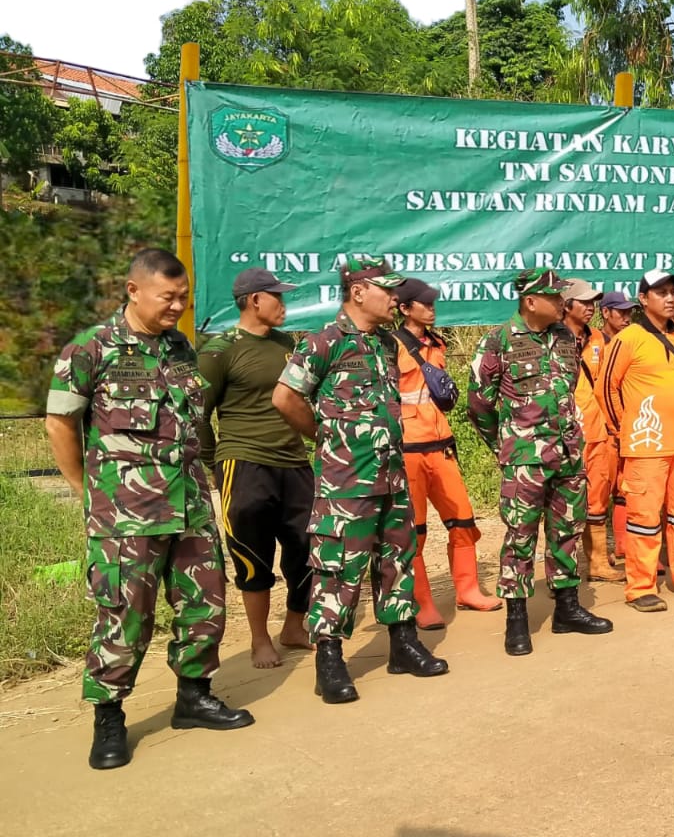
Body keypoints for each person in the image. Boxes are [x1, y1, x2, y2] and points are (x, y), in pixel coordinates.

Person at [45, 248, 254, 770]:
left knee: (203, 605)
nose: (178, 306)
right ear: (133, 290)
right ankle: (110, 717)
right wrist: (86, 490)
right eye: (168, 296)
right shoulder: (91, 349)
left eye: (183, 297)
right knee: (125, 615)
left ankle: (194, 696)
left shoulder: (181, 348)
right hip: (126, 514)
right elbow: (59, 424)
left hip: (190, 506)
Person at [273, 257, 448, 704]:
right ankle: (329, 659)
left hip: (392, 476)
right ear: (357, 292)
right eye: (386, 290)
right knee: (338, 569)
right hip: (345, 484)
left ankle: (403, 644)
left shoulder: (388, 344)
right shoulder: (323, 343)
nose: (395, 298)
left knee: (398, 559)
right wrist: (324, 436)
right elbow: (286, 397)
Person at [467, 269, 614, 654]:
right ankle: (517, 620)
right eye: (554, 296)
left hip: (566, 455)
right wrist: (508, 444)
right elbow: (479, 405)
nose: (562, 302)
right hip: (524, 460)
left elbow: (568, 391)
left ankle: (567, 608)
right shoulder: (497, 341)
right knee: (520, 536)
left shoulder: (566, 338)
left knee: (566, 530)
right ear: (531, 301)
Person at [197, 267, 313, 670]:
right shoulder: (219, 350)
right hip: (244, 463)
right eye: (277, 297)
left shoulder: (287, 343)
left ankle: (294, 626)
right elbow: (199, 414)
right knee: (252, 553)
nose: (284, 304)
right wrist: (217, 464)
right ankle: (260, 639)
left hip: (294, 462)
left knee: (307, 548)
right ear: (254, 300)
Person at [601, 270, 674, 610]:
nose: (670, 298)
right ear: (643, 299)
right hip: (646, 446)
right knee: (644, 518)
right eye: (660, 292)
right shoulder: (629, 338)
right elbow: (607, 389)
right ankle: (641, 586)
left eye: (673, 292)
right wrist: (624, 432)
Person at [393, 278, 502, 629]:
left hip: (441, 445)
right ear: (405, 308)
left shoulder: (436, 343)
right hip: (408, 450)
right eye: (423, 303)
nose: (431, 308)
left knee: (463, 521)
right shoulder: (390, 345)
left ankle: (468, 590)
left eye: (433, 303)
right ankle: (423, 604)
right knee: (416, 531)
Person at [558, 279, 627, 583]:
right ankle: (562, 571)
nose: (590, 307)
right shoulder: (550, 338)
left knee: (597, 499)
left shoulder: (599, 338)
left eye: (592, 302)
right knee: (562, 506)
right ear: (565, 305)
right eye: (583, 302)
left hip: (598, 433)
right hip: (563, 436)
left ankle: (598, 563)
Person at [600, 290, 638, 560]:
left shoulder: (630, 342)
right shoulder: (597, 344)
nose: (626, 317)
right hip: (605, 429)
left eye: (629, 312)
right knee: (599, 493)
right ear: (606, 313)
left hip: (631, 425)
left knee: (626, 488)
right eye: (621, 312)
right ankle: (597, 557)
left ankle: (624, 546)